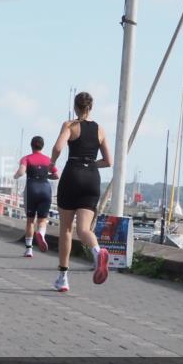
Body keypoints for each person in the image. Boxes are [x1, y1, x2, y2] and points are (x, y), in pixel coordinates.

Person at [50, 92, 112, 292]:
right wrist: (92, 164)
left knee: (66, 230)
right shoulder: (100, 129)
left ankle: (63, 278)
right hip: (91, 178)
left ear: (76, 107)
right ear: (90, 108)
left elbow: (58, 147)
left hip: (72, 175)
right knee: (84, 229)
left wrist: (52, 164)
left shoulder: (69, 125)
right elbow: (109, 161)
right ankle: (97, 252)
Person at [13, 136, 58, 258]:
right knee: (42, 220)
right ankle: (42, 234)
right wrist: (46, 176)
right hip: (45, 189)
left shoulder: (26, 158)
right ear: (42, 146)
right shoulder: (48, 160)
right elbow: (56, 175)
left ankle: (29, 249)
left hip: (31, 189)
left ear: (31, 145)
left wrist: (15, 176)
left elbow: (21, 172)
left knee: (30, 221)